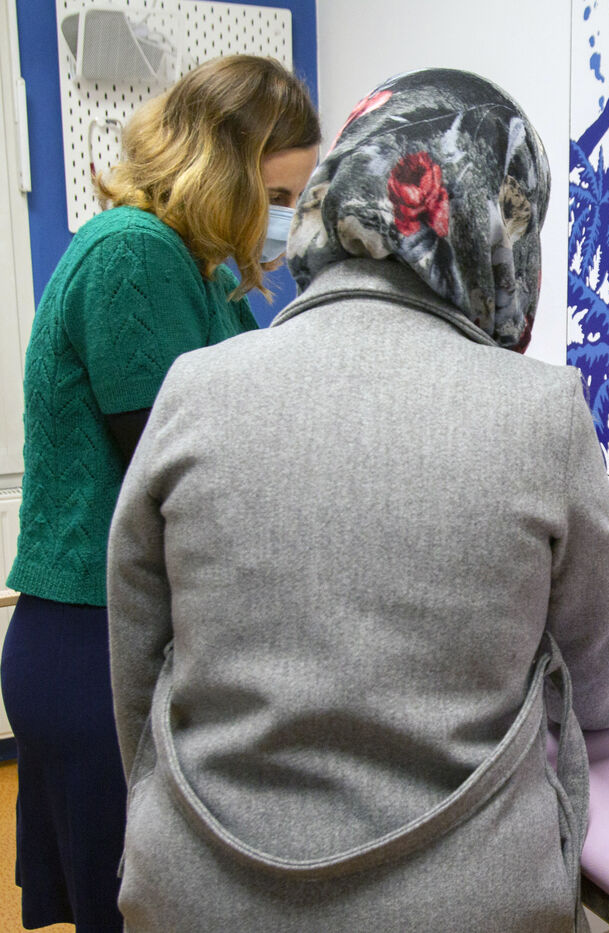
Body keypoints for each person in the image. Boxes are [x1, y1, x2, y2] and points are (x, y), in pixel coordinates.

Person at [105, 69, 609, 932]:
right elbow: (593, 658)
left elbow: (137, 655)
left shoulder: (193, 386)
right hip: (466, 900)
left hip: (199, 888)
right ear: (503, 218)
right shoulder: (543, 411)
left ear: (333, 189)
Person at [0, 55, 318, 932]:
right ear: (225, 170)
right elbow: (192, 479)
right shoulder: (133, 256)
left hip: (136, 632)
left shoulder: (198, 269)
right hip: (92, 640)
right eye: (278, 195)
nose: (284, 219)